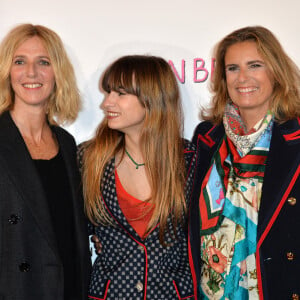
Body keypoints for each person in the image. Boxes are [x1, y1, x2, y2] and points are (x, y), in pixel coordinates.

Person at [189, 26, 300, 299]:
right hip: (211, 290)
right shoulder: (207, 137)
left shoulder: (295, 138)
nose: (243, 78)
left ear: (275, 71)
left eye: (254, 65)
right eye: (233, 68)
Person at [78, 55, 197, 299]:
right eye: (108, 92)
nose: (106, 103)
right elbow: (72, 231)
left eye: (120, 93)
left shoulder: (190, 160)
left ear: (152, 100)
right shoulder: (88, 158)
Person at [0, 24, 91, 300]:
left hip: (70, 287)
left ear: (57, 73)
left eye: (43, 62)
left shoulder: (65, 142)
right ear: (7, 71)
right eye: (20, 62)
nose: (31, 73)